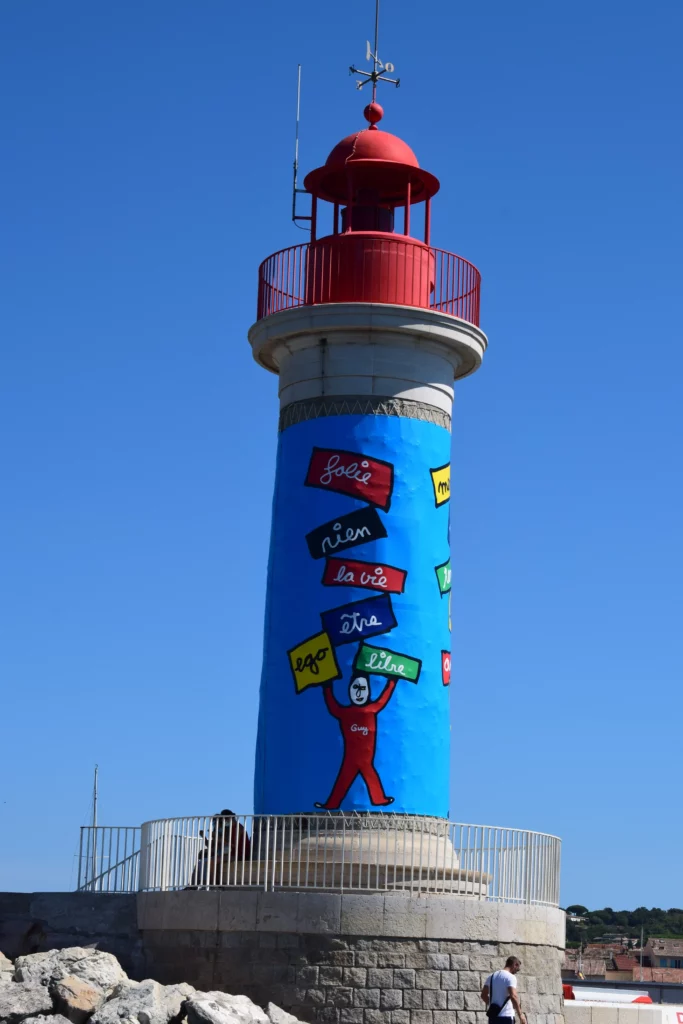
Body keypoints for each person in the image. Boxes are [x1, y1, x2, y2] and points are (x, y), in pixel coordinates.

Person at [314, 674, 397, 809]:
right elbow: (333, 707)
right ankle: (332, 803)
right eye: (355, 688)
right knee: (344, 780)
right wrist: (327, 687)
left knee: (365, 776)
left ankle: (378, 799)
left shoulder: (371, 709)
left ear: (368, 691)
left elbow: (383, 699)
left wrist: (392, 681)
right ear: (349, 690)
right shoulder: (346, 713)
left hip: (365, 757)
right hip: (351, 757)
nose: (358, 693)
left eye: (362, 688)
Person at [481, 957, 526, 1024]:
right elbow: (513, 996)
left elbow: (483, 995)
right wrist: (521, 1015)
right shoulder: (510, 977)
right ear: (515, 965)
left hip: (493, 1017)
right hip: (506, 1016)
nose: (516, 971)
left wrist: (493, 1005)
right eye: (517, 969)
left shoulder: (491, 976)